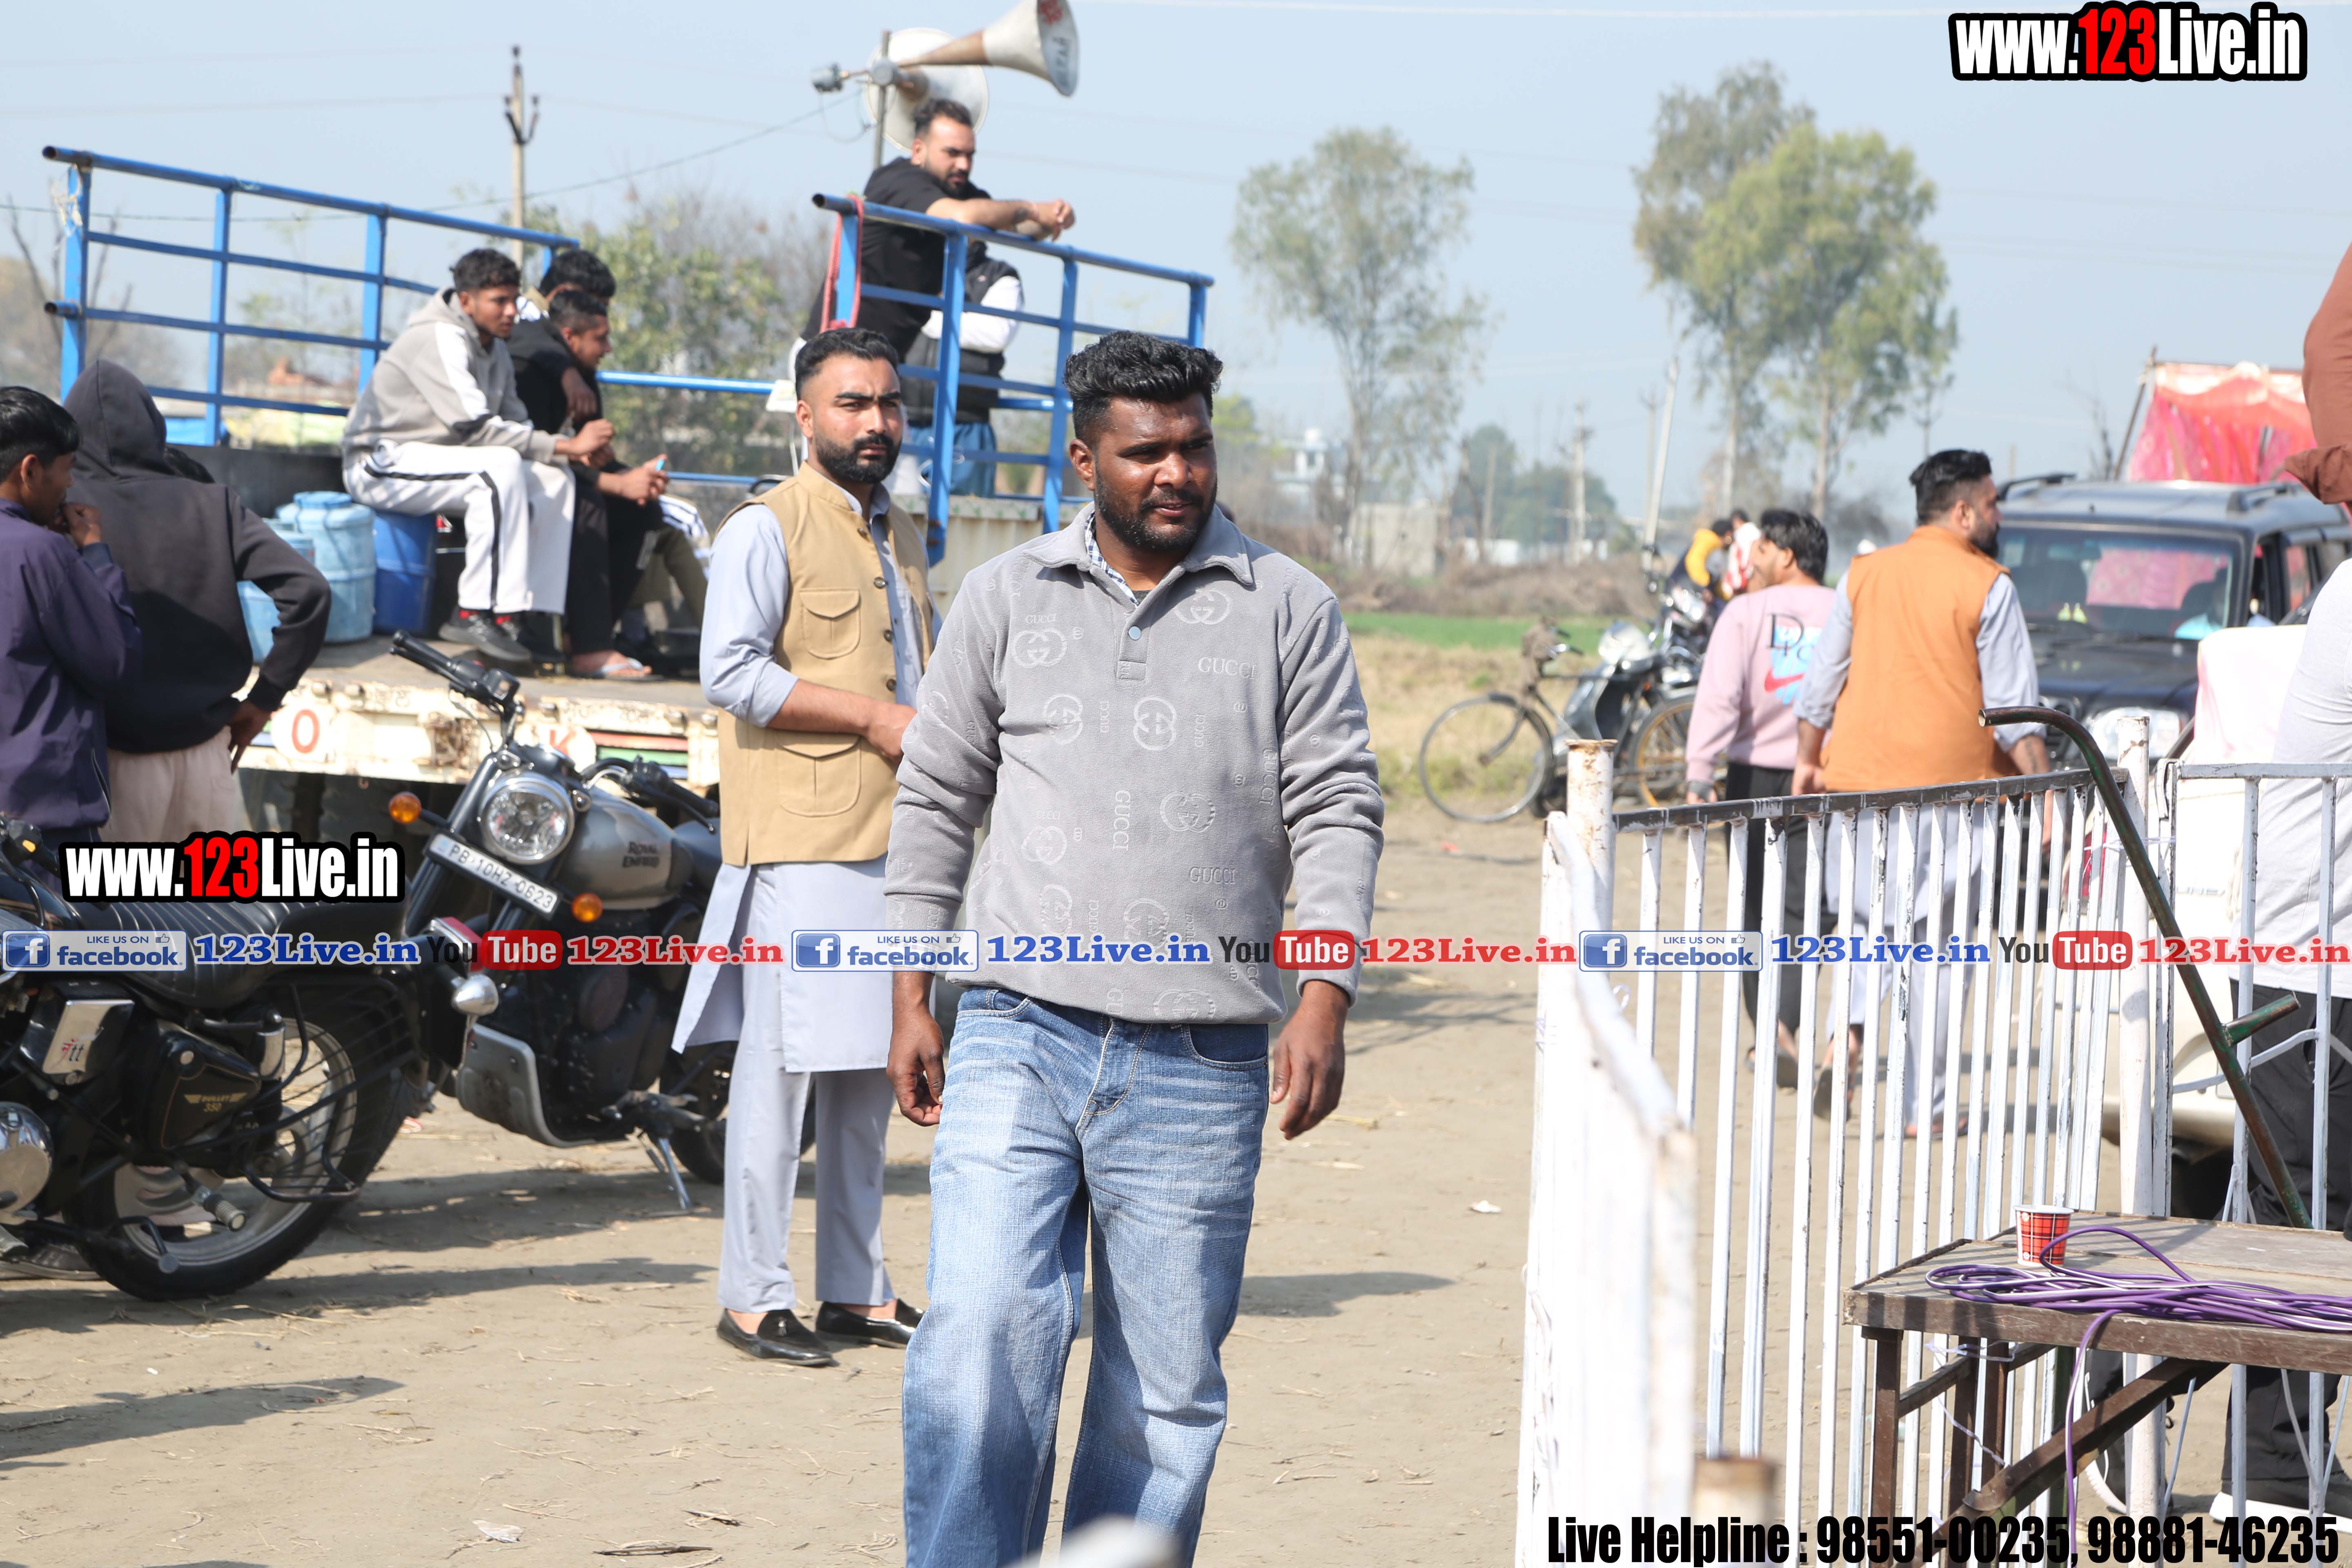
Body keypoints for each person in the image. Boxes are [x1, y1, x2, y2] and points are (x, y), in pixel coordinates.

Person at [884, 332, 1384, 1566]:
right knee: (979, 1332)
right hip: (1016, 1025)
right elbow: (937, 797)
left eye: (1194, 447)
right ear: (1083, 457)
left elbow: (1336, 808)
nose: (1175, 472)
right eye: (1145, 450)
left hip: (1200, 1057)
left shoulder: (1288, 607)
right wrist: (910, 991)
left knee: (1160, 1392)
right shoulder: (1004, 597)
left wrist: (1323, 991)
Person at [668, 328, 934, 1370]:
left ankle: (856, 1291)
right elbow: (731, 673)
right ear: (805, 415)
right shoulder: (764, 527)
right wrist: (870, 719)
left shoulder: (897, 530)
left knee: (870, 1070)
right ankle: (751, 1299)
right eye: (852, 404)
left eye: (888, 403)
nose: (875, 422)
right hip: (801, 843)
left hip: (895, 838)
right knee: (780, 1078)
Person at [1793, 450, 2049, 1126]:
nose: (1998, 516)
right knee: (1938, 951)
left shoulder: (1864, 574)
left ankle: (1844, 1041)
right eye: (1991, 504)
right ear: (1963, 512)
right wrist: (2048, 792)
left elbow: (1820, 685)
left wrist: (1806, 761)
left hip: (1856, 791)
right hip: (1949, 798)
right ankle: (1923, 1108)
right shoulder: (1988, 585)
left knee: (1864, 929)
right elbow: (2014, 713)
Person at [2224, 239, 2352, 1512]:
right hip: (2309, 979)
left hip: (2322, 974)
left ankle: (2295, 1466)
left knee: (2318, 1229)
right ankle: (2275, 1479)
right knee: (2303, 1233)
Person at [60, 362, 330, 841]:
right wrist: (264, 701)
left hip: (109, 763)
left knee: (111, 894)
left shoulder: (68, 511)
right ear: (153, 427)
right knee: (203, 893)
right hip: (208, 758)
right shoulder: (213, 503)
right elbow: (309, 590)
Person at [341, 248, 613, 668]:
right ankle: (473, 611)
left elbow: (519, 426)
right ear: (466, 301)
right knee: (499, 467)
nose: (511, 311)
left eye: (513, 299)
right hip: (378, 463)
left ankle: (523, 617)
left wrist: (569, 453)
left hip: (440, 461)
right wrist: (567, 446)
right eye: (498, 301)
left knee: (553, 478)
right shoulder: (440, 336)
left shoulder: (496, 348)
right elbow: (476, 430)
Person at [1684, 508, 1835, 1082]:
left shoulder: (1745, 613)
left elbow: (1720, 697)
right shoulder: (1847, 612)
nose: (1753, 557)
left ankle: (1768, 1031)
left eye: (1764, 548)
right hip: (1821, 776)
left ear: (1787, 556)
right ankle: (1785, 1025)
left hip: (1752, 778)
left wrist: (1700, 773)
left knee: (1752, 906)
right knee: (1806, 908)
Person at [807, 99, 1074, 358]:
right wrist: (1032, 209)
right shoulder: (897, 180)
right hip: (832, 350)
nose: (964, 165)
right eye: (952, 153)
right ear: (919, 151)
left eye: (969, 155)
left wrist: (1053, 217)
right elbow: (963, 217)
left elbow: (1017, 226)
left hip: (883, 356)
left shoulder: (960, 192)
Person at [0, 386, 140, 839]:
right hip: (37, 830)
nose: (70, 484)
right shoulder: (41, 553)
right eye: (67, 469)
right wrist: (95, 552)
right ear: (30, 470)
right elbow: (114, 662)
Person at [512, 288, 668, 679]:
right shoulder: (530, 370)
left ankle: (588, 636)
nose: (608, 349)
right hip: (526, 478)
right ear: (570, 337)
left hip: (566, 476)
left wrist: (631, 478)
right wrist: (614, 483)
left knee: (644, 510)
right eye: (600, 338)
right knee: (588, 505)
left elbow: (586, 454)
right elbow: (533, 449)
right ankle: (590, 650)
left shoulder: (583, 377)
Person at [904, 247, 1022, 509]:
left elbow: (996, 333)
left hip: (966, 423)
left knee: (965, 519)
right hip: (904, 420)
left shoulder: (999, 276)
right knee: (897, 517)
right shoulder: (911, 264)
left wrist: (926, 313)